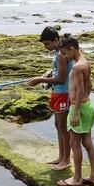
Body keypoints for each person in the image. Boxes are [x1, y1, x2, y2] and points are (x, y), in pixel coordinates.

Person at [56, 35, 94, 186]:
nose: (63, 56)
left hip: (79, 108)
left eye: (64, 53)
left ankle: (77, 178)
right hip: (88, 106)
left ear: (72, 49)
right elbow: (90, 85)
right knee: (87, 141)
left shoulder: (77, 67)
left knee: (74, 143)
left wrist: (75, 112)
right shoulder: (85, 62)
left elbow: (80, 91)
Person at [27, 27, 73, 171]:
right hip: (57, 92)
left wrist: (40, 80)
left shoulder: (61, 54)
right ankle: (61, 156)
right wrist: (48, 73)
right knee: (58, 126)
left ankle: (66, 160)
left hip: (63, 93)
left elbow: (60, 78)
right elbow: (58, 71)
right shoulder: (56, 53)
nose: (46, 47)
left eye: (47, 44)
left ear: (56, 40)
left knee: (63, 128)